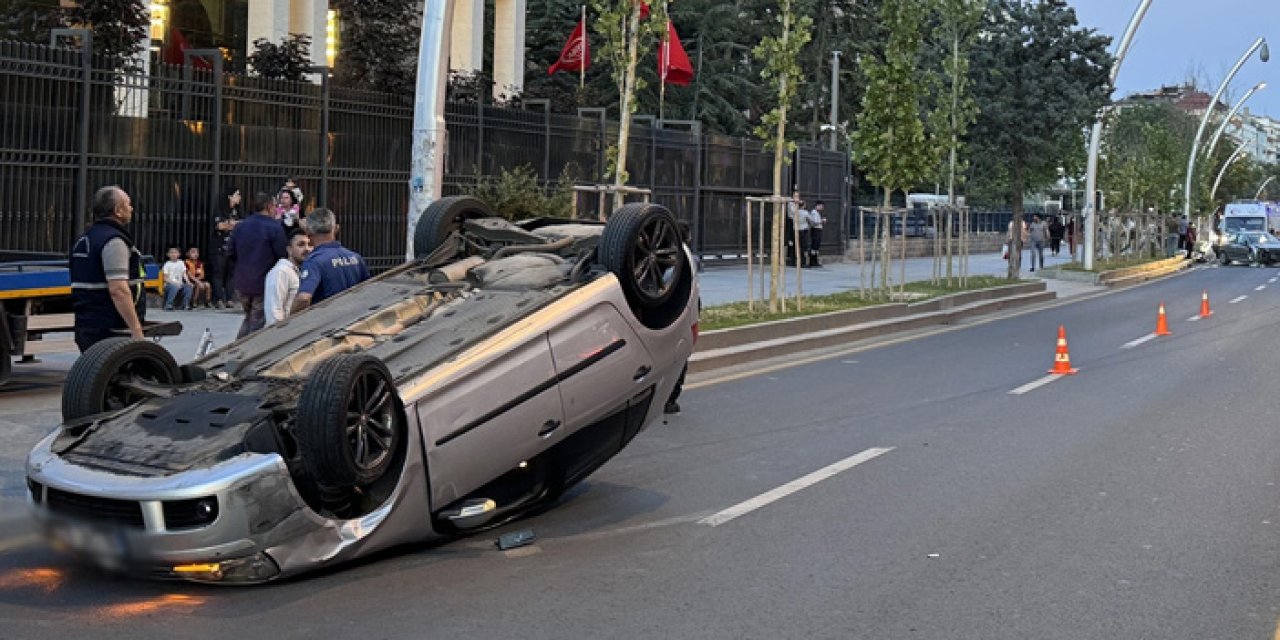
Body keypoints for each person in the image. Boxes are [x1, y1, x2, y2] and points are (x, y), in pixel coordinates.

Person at [69, 186, 146, 352]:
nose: (132, 208)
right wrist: (136, 330)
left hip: (88, 326)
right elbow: (118, 290)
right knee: (122, 376)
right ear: (118, 211)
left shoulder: (85, 239)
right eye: (128, 204)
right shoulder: (113, 242)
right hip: (112, 329)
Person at [228, 192, 288, 337]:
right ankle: (244, 353)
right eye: (275, 206)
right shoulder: (274, 228)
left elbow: (230, 253)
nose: (276, 210)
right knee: (257, 322)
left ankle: (238, 346)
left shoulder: (240, 227)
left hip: (242, 282)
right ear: (268, 206)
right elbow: (282, 256)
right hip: (263, 282)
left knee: (250, 317)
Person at [292, 207, 370, 313]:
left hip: (326, 324)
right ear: (336, 228)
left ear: (308, 231)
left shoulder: (314, 261)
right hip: (354, 319)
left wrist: (288, 322)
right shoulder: (356, 258)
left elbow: (303, 298)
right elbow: (368, 291)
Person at [263, 229, 313, 326]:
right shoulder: (281, 272)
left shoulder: (303, 271)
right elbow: (274, 312)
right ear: (289, 250)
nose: (307, 249)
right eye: (301, 245)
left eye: (309, 244)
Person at [209, 187, 241, 309]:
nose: (239, 197)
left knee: (231, 273)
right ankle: (218, 298)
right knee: (218, 273)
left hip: (233, 246)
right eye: (237, 195)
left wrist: (232, 225)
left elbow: (241, 223)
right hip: (219, 246)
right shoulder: (220, 210)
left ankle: (229, 298)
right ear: (230, 196)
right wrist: (231, 225)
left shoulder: (237, 211)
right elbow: (220, 225)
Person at [808, 201, 827, 267]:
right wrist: (822, 221)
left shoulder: (817, 213)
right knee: (814, 245)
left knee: (817, 246)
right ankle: (812, 261)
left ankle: (815, 260)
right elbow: (814, 222)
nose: (822, 208)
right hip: (815, 229)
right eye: (821, 206)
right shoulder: (814, 212)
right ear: (817, 206)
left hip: (818, 229)